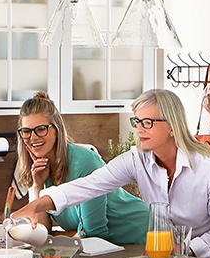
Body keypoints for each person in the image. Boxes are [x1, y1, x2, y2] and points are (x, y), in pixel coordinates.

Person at [19, 89, 210, 258]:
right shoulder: (137, 160)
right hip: (173, 254)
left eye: (148, 122)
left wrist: (186, 249)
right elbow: (90, 185)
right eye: (137, 122)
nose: (139, 130)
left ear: (172, 126)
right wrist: (36, 205)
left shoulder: (208, 167)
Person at [10, 91, 148, 245]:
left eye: (41, 129)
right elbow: (42, 232)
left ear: (57, 130)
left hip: (142, 235)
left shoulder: (84, 161)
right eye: (26, 132)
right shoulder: (38, 169)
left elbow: (93, 234)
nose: (33, 137)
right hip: (109, 247)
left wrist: (54, 239)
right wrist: (37, 186)